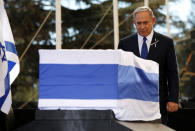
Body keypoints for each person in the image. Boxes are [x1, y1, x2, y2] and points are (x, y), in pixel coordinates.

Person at [118, 6, 179, 125]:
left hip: (158, 104)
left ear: (153, 21)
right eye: (138, 23)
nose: (142, 27)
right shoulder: (124, 44)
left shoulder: (166, 43)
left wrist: (173, 99)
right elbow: (120, 74)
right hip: (131, 105)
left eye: (145, 22)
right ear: (134, 23)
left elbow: (172, 74)